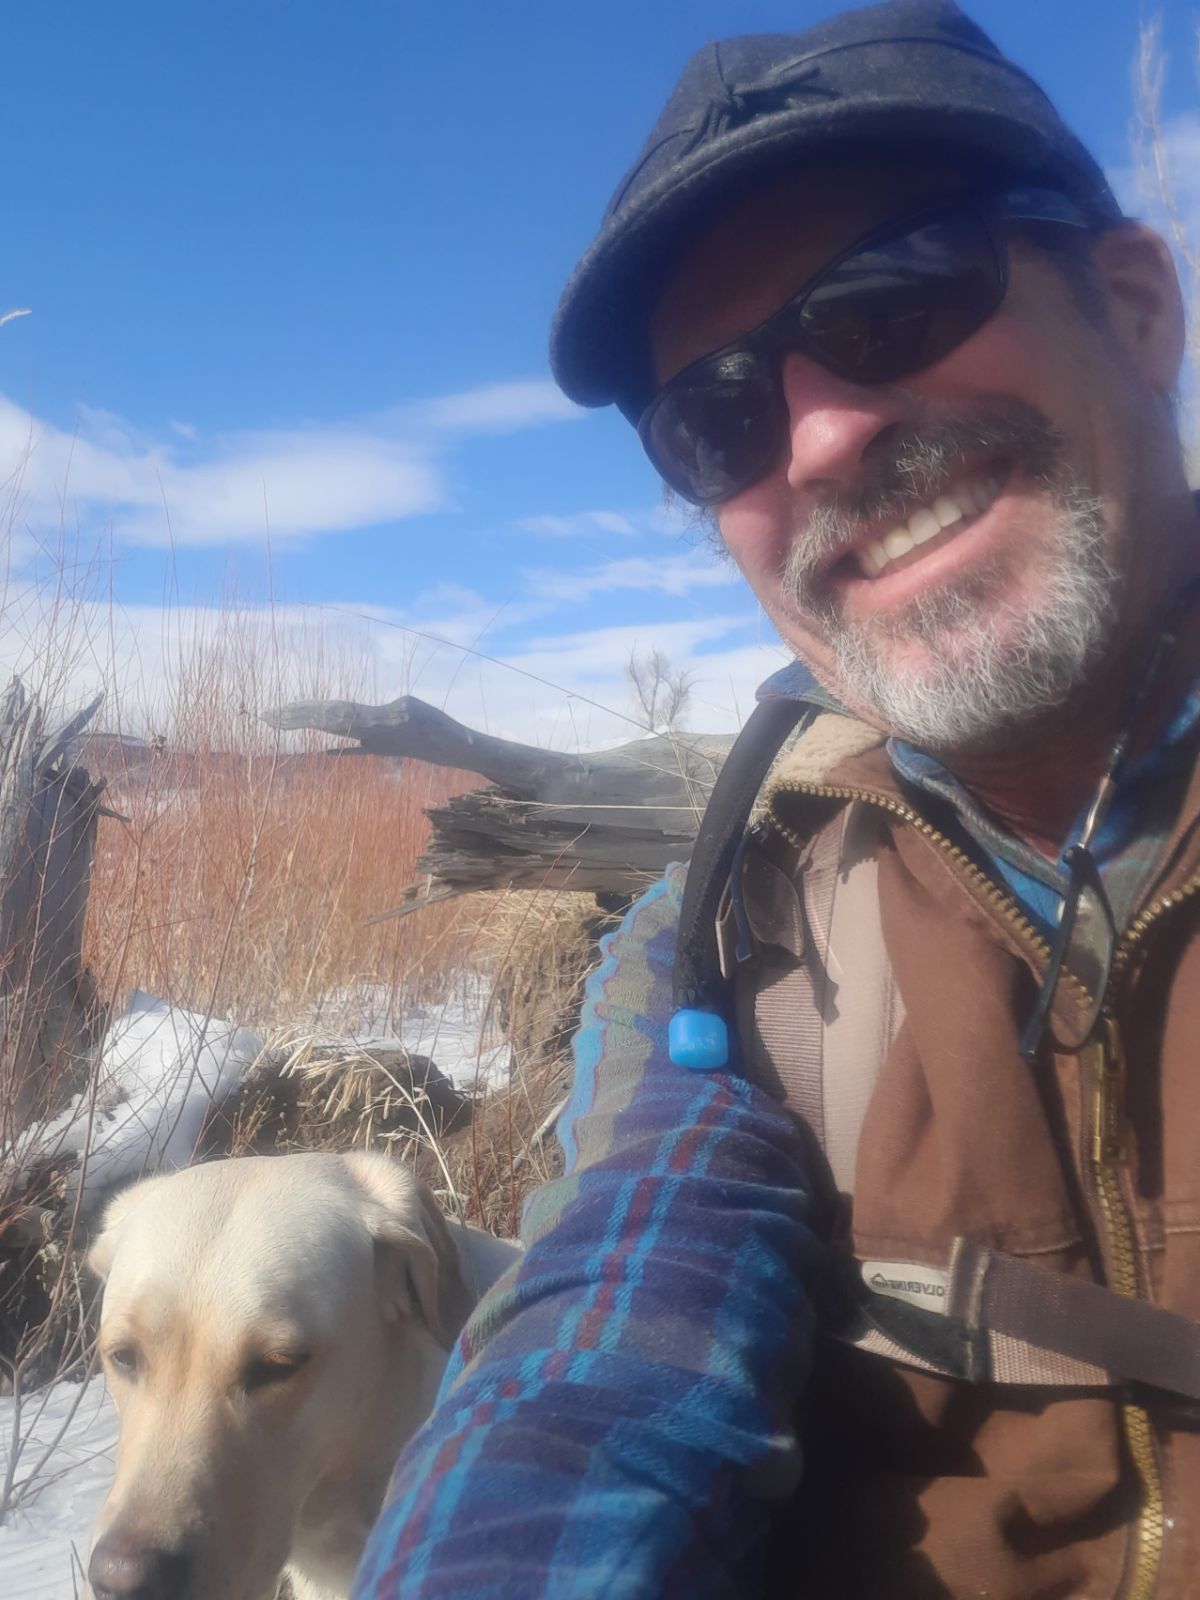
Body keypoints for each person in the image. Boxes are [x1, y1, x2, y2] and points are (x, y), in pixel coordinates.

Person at [354, 2, 1200, 1595]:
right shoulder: (737, 934)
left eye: (893, 299)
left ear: (1140, 311)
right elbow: (602, 1347)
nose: (816, 438)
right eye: (717, 417)